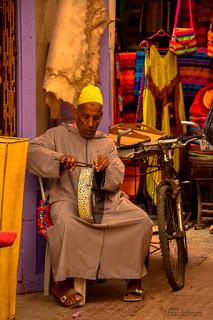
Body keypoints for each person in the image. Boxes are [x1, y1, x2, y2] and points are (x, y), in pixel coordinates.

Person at [27, 84, 154, 307]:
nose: (90, 123)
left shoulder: (106, 143)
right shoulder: (58, 135)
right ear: (76, 112)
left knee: (141, 221)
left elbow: (117, 178)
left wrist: (106, 169)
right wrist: (59, 159)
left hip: (105, 203)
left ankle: (133, 280)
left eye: (96, 118)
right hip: (67, 199)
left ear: (101, 116)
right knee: (66, 223)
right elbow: (31, 151)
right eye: (85, 117)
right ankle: (62, 283)